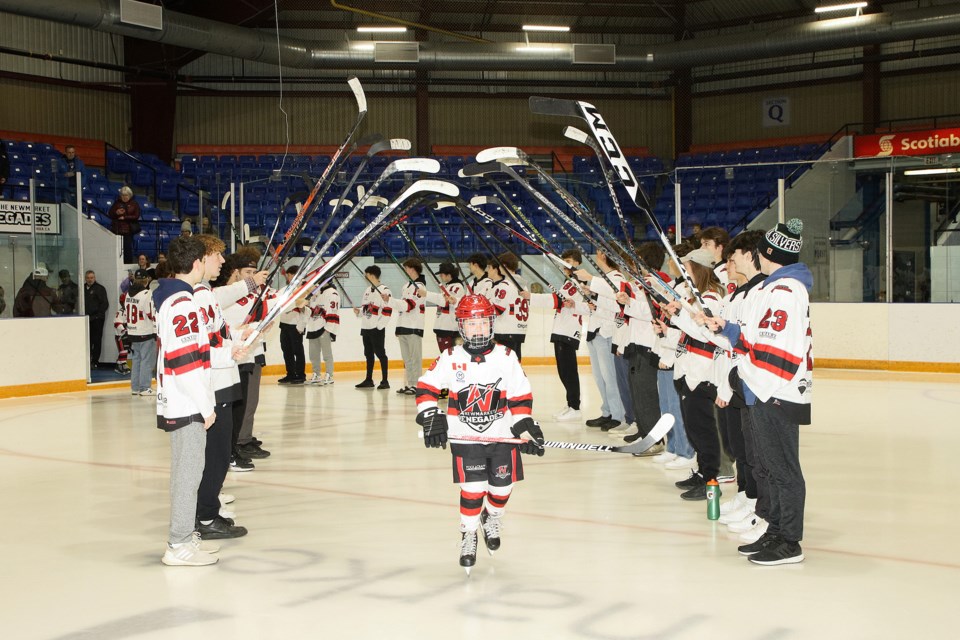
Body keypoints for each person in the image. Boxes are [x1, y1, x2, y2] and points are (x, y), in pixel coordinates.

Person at [706, 218, 813, 566]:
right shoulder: (775, 288)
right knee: (767, 464)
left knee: (782, 468)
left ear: (768, 253)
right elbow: (757, 338)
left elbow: (778, 353)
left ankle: (790, 541)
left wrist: (745, 379)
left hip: (776, 393)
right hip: (765, 390)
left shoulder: (785, 292)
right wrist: (729, 329)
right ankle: (776, 529)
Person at [416, 294, 545, 574]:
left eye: (482, 323)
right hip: (466, 439)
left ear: (492, 324)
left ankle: (492, 516)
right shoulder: (450, 357)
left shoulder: (506, 357)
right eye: (471, 323)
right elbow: (426, 387)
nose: (477, 329)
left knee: (502, 489)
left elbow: (521, 395)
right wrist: (430, 416)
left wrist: (524, 426)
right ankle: (469, 533)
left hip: (502, 437)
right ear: (461, 326)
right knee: (473, 489)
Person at [152, 235, 219, 566]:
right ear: (197, 264)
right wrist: (206, 406)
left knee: (186, 470)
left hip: (179, 400)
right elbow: (186, 361)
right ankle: (179, 544)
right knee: (188, 473)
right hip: (186, 402)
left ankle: (184, 536)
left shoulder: (173, 298)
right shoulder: (183, 304)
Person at [192, 234, 252, 533]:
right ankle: (204, 516)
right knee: (215, 454)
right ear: (201, 258)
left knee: (216, 453)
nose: (223, 261)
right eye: (217, 255)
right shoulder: (199, 296)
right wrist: (229, 348)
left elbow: (218, 335)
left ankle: (207, 507)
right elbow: (203, 347)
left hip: (222, 379)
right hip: (215, 384)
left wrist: (238, 336)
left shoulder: (205, 293)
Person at [522, 249, 587, 421]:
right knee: (563, 370)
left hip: (568, 330)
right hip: (561, 329)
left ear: (577, 263)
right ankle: (570, 404)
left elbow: (557, 300)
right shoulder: (568, 282)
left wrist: (531, 297)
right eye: (564, 261)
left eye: (569, 261)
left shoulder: (578, 281)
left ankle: (575, 406)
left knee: (569, 371)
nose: (566, 264)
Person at [574, 251, 626, 430]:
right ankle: (607, 411)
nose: (596, 255)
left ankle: (618, 415)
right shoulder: (604, 278)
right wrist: (593, 296)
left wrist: (592, 285)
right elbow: (604, 303)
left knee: (610, 377)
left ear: (604, 255)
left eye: (598, 253)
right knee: (599, 377)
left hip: (607, 333)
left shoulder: (616, 277)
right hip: (595, 332)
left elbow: (617, 306)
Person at [386, 258, 427, 395]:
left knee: (415, 358)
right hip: (403, 326)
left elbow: (409, 305)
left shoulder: (420, 287)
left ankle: (416, 384)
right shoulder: (406, 286)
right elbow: (402, 309)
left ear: (412, 269)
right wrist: (398, 328)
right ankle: (410, 383)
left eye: (406, 268)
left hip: (414, 326)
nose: (405, 271)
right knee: (407, 358)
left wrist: (390, 300)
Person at [484, 253, 528, 360]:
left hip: (505, 330)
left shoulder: (505, 285)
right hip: (519, 329)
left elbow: (497, 310)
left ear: (503, 266)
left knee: (506, 364)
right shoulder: (523, 285)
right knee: (515, 363)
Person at [354, 265, 391, 389]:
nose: (365, 277)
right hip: (365, 328)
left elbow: (387, 311)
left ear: (371, 275)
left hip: (376, 329)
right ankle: (368, 379)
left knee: (380, 354)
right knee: (368, 354)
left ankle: (385, 380)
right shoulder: (367, 290)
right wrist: (359, 312)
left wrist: (379, 326)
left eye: (366, 275)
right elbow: (366, 309)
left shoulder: (384, 290)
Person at [125, 270, 157, 395]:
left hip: (132, 331)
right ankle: (144, 387)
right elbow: (150, 313)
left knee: (136, 359)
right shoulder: (146, 293)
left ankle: (135, 387)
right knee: (146, 360)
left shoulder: (128, 293)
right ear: (147, 279)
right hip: (145, 331)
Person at [277, 265, 307, 385]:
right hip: (284, 324)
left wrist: (302, 325)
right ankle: (290, 373)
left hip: (296, 325)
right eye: (291, 275)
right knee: (286, 350)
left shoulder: (302, 290)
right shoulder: (284, 290)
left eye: (295, 275)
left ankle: (300, 374)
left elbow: (306, 308)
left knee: (297, 350)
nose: (292, 277)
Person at [306, 281, 340, 385]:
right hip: (313, 326)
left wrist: (329, 328)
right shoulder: (316, 293)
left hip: (324, 327)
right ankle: (316, 374)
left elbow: (333, 310)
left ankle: (329, 375)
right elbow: (309, 309)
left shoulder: (332, 293)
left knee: (327, 354)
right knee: (313, 354)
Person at [107, 186, 141, 263]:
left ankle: (128, 263)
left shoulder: (134, 204)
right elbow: (110, 213)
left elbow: (136, 216)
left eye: (126, 195)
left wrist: (125, 217)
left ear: (130, 195)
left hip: (128, 230)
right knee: (117, 248)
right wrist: (117, 212)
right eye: (123, 195)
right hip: (117, 229)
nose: (124, 197)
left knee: (127, 248)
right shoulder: (117, 203)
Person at [84, 270, 109, 367]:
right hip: (86, 319)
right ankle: (87, 360)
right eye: (88, 278)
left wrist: (97, 315)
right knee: (87, 340)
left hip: (97, 319)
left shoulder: (100, 289)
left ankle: (95, 361)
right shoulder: (82, 289)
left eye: (91, 278)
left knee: (97, 340)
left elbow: (105, 304)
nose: (90, 280)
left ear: (94, 278)